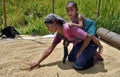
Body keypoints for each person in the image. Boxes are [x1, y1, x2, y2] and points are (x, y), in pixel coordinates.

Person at [29, 13, 102, 70]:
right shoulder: (59, 34)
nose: (48, 29)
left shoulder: (69, 27)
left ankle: (93, 57)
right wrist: (38, 62)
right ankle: (89, 54)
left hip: (91, 43)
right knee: (71, 58)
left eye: (48, 26)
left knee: (78, 65)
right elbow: (50, 48)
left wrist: (80, 51)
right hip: (81, 43)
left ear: (54, 22)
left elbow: (88, 37)